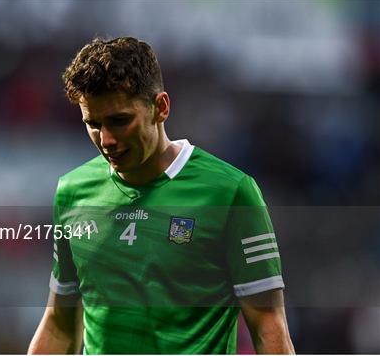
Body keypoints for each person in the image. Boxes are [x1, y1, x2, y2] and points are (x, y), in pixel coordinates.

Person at [28, 36, 295, 354]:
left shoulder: (230, 192)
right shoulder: (73, 192)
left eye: (120, 121)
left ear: (161, 108)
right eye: (93, 124)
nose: (107, 139)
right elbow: (60, 324)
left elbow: (268, 325)